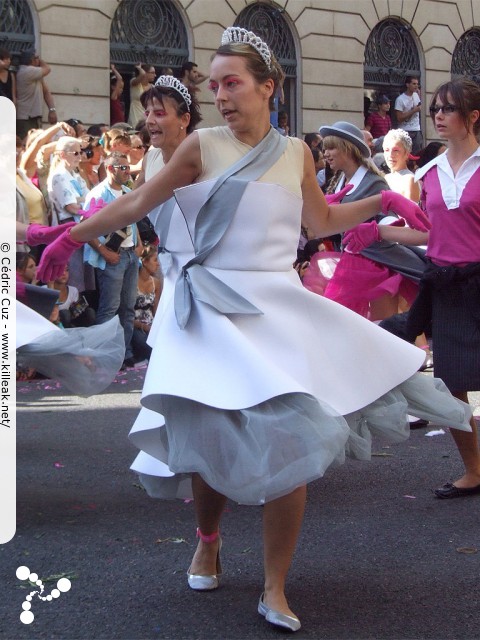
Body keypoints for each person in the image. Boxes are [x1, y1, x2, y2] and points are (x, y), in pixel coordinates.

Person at [37, 28, 471, 632]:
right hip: (211, 316)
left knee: (293, 440)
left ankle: (275, 585)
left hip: (276, 309)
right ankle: (209, 539)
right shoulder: (201, 145)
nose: (220, 94)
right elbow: (137, 204)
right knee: (211, 441)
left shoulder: (296, 152)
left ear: (269, 87)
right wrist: (64, 236)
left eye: (232, 83)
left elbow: (318, 220)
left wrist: (381, 204)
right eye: (213, 85)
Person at [408, 78, 480, 498]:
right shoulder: (427, 173)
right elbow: (428, 233)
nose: (437, 114)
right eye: (435, 107)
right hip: (445, 285)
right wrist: (376, 232)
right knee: (451, 381)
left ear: (472, 117)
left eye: (448, 109)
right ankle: (474, 470)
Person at [83, 152, 142, 369]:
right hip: (111, 257)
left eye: (128, 168)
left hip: (129, 255)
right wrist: (103, 251)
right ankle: (103, 356)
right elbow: (84, 227)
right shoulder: (98, 194)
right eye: (123, 168)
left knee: (127, 307)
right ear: (111, 169)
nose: (127, 171)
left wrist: (139, 242)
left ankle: (124, 354)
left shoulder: (128, 192)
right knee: (109, 308)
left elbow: (132, 218)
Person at [16, 50, 57, 140]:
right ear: (32, 60)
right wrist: (39, 59)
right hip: (25, 118)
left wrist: (52, 110)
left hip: (33, 116)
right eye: (36, 58)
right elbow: (47, 68)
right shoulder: (26, 71)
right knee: (26, 143)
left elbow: (46, 92)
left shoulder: (35, 74)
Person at [132, 246, 162, 363]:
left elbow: (156, 308)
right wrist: (144, 327)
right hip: (136, 325)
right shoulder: (132, 282)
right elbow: (125, 313)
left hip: (151, 324)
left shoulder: (156, 283)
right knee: (144, 342)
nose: (158, 264)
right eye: (155, 260)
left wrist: (157, 326)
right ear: (144, 261)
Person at [382, 129, 420, 202]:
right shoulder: (385, 178)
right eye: (387, 150)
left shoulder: (409, 179)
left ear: (406, 154)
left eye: (396, 150)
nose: (390, 155)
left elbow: (410, 212)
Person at [394, 76, 423, 155]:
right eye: (414, 84)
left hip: (416, 130)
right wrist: (414, 111)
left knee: (417, 153)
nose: (416, 86)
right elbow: (399, 118)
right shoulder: (400, 99)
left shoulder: (416, 95)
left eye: (417, 84)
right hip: (405, 130)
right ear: (407, 85)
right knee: (405, 153)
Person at [128, 63, 156, 128]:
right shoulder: (134, 83)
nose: (155, 75)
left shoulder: (153, 87)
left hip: (147, 116)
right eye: (152, 73)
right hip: (135, 116)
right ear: (145, 73)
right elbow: (142, 74)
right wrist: (139, 68)